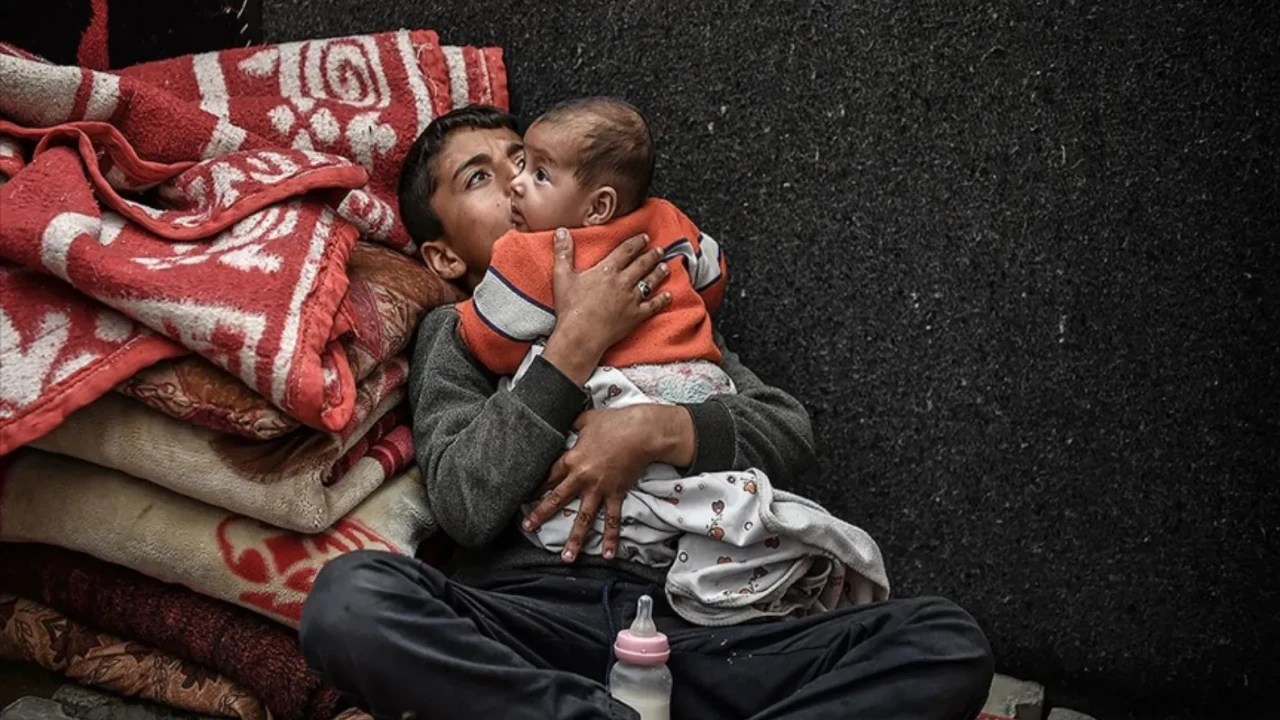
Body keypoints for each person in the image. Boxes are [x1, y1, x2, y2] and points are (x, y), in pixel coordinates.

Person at [299, 104, 994, 720]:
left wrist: (659, 429)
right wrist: (572, 346)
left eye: (527, 163)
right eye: (479, 178)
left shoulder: (653, 292)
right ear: (445, 256)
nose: (514, 182)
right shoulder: (456, 334)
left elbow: (787, 430)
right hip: (531, 630)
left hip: (700, 621)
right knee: (349, 604)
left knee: (943, 642)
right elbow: (465, 504)